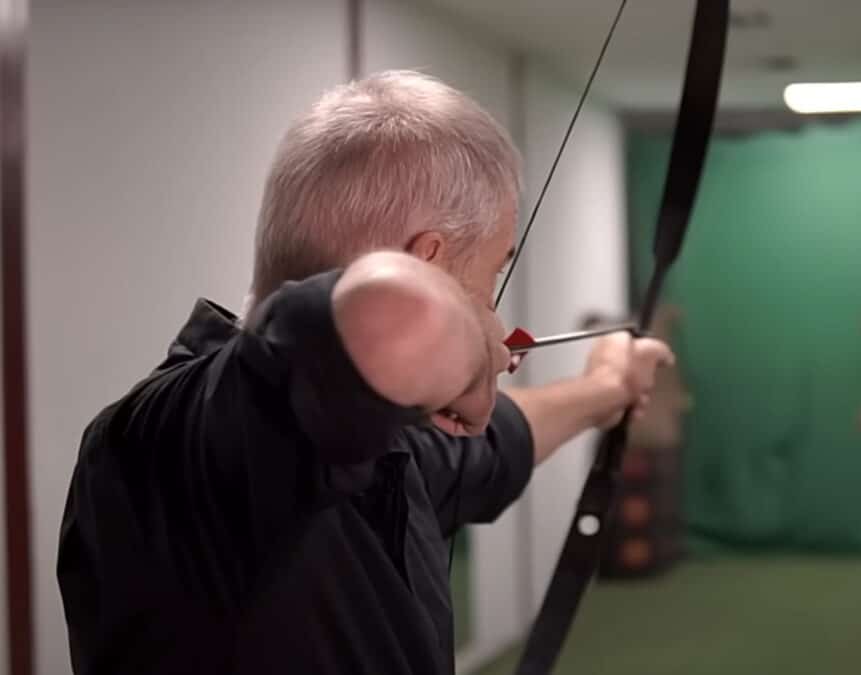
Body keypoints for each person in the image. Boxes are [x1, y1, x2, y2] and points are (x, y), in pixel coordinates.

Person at [56, 70, 674, 675]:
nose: (493, 309)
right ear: (426, 262)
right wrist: (467, 349)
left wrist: (607, 387)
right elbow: (397, 319)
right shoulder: (177, 438)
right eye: (493, 273)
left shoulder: (370, 441)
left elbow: (493, 444)